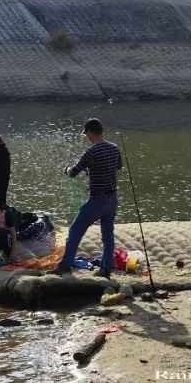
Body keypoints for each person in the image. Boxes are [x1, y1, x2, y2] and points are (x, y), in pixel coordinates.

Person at [52, 118, 123, 278]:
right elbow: (117, 167)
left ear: (91, 132)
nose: (86, 137)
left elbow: (74, 172)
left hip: (97, 200)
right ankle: (105, 270)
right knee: (108, 236)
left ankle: (65, 266)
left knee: (75, 231)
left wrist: (66, 169)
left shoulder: (92, 151)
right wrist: (93, 171)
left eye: (86, 134)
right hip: (112, 199)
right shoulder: (114, 148)